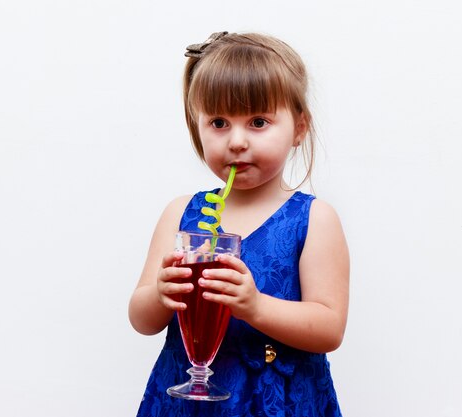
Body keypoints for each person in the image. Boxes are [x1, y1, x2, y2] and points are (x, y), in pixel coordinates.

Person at [128, 31, 350, 416]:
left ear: (299, 127)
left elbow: (330, 328)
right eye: (218, 122)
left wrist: (255, 306)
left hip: (276, 402)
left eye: (258, 121)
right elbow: (141, 319)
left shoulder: (314, 219)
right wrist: (160, 293)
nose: (236, 141)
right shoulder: (181, 214)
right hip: (188, 402)